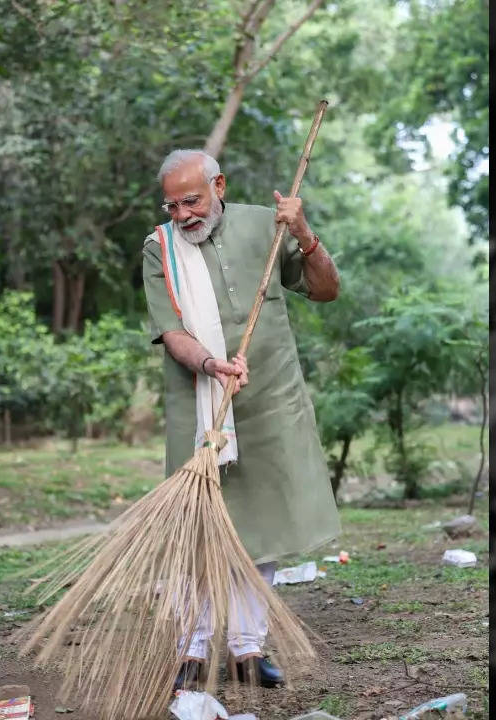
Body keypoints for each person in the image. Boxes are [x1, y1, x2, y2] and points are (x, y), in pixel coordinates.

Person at [141, 149, 341, 689]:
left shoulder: (266, 225)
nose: (183, 214)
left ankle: (247, 651)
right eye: (173, 204)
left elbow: (326, 289)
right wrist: (211, 365)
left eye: (192, 200)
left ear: (219, 186)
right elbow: (174, 332)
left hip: (272, 399)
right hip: (201, 404)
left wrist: (304, 232)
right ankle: (192, 650)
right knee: (199, 526)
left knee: (264, 523)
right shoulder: (159, 249)